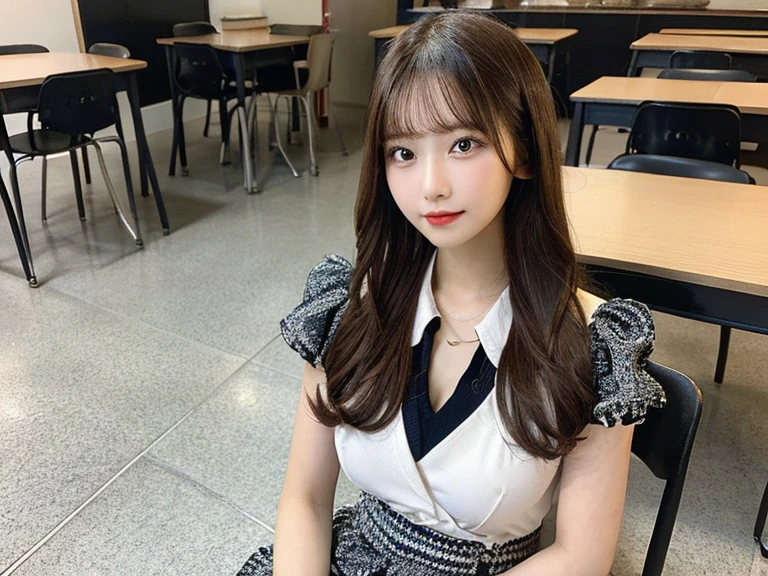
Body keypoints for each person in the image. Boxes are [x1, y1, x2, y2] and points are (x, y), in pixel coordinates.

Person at [238, 11, 665, 576]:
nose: (431, 185)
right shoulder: (351, 304)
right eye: (404, 153)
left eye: (464, 144)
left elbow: (580, 556)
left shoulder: (593, 343)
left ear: (526, 149)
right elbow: (306, 500)